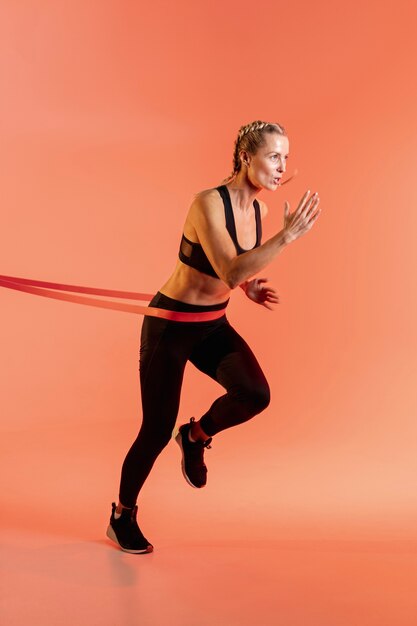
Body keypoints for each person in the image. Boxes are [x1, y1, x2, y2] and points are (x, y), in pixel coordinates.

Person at [106, 120, 321, 554]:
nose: (282, 168)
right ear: (247, 157)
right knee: (154, 428)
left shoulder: (256, 210)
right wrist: (287, 237)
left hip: (211, 324)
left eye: (286, 158)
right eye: (274, 156)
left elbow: (236, 267)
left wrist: (247, 288)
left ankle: (197, 435)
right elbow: (229, 266)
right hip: (171, 324)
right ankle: (121, 516)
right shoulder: (207, 203)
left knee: (255, 393)